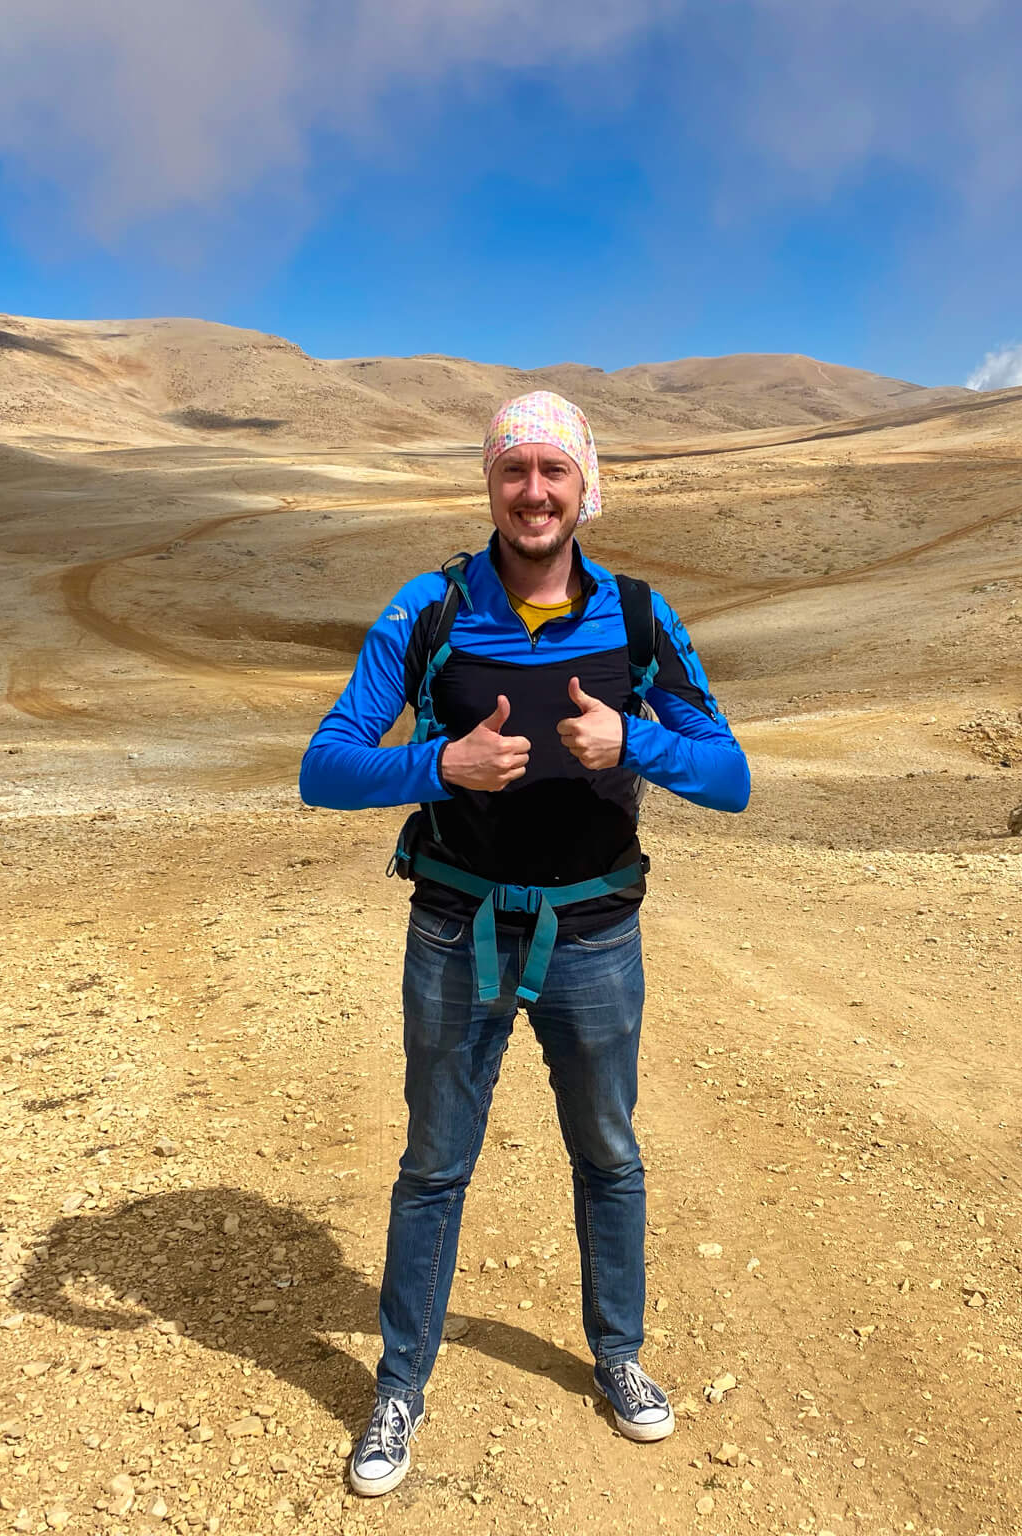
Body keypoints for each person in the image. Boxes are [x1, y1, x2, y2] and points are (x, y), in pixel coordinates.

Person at [299, 390, 751, 1497]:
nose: (533, 491)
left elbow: (731, 777)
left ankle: (618, 1358)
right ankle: (398, 1385)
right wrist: (434, 766)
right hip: (455, 929)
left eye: (553, 470)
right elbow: (324, 764)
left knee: (608, 1154)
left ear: (584, 483)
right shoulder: (431, 609)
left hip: (594, 932)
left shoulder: (638, 618)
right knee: (433, 1166)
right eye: (513, 471)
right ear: (490, 486)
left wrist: (632, 743)